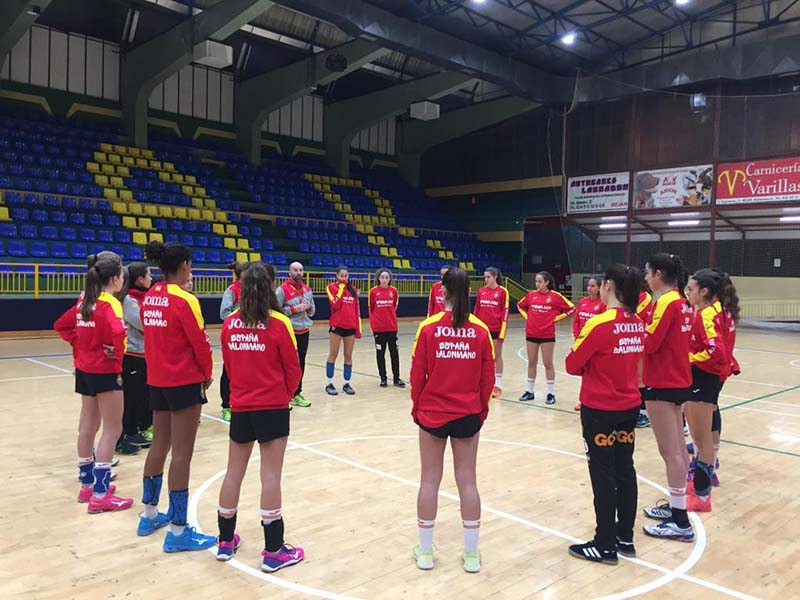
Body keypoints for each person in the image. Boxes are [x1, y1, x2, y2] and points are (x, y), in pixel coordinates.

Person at [216, 263, 305, 572]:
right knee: (270, 476)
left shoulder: (229, 324)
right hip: (272, 407)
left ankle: (225, 542)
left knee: (233, 473)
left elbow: (229, 364)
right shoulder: (280, 323)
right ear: (270, 287)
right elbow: (293, 370)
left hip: (241, 406)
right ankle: (273, 550)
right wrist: (283, 396)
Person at [410, 267, 494, 573]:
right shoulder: (481, 330)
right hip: (468, 414)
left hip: (432, 413)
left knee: (429, 480)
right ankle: (471, 555)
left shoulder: (429, 327)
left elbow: (417, 374)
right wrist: (481, 411)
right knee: (467, 481)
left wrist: (417, 408)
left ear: (441, 291)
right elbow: (487, 379)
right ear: (469, 292)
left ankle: (425, 552)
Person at [137, 241, 216, 551]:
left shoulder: (149, 297)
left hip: (156, 380)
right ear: (184, 266)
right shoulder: (185, 300)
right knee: (182, 454)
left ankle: (149, 514)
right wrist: (207, 375)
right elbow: (200, 345)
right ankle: (179, 531)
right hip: (183, 382)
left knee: (159, 445)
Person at [565, 264, 644, 564]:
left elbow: (573, 364)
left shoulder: (599, 324)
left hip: (600, 409)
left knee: (603, 474)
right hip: (628, 406)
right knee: (626, 469)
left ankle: (605, 544)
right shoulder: (637, 323)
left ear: (608, 285)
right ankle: (625, 536)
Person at [54, 251, 133, 513]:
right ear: (114, 278)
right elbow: (119, 331)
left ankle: (87, 484)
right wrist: (116, 353)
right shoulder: (110, 303)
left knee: (87, 425)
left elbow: (61, 325)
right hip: (106, 370)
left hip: (84, 369)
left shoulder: (83, 299)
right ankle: (100, 494)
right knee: (112, 430)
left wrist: (81, 345)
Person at [640, 253, 695, 543]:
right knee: (677, 450)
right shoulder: (682, 302)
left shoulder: (666, 302)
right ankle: (676, 507)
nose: (646, 278)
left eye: (648, 273)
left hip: (662, 382)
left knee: (671, 451)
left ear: (658, 274)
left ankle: (680, 521)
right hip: (677, 380)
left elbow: (650, 342)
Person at [682, 269, 741, 512]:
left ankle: (701, 496)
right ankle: (701, 483)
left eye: (691, 289)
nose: (687, 293)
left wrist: (687, 358)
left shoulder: (707, 315)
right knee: (702, 436)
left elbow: (714, 350)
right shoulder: (722, 311)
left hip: (704, 377)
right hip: (712, 376)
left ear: (704, 292)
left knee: (701, 438)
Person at [517, 271, 575, 404]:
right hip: (531, 333)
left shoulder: (556, 296)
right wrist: (528, 317)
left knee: (548, 363)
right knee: (531, 362)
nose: (537, 284)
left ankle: (551, 393)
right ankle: (530, 391)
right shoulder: (531, 295)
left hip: (547, 334)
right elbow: (520, 306)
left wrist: (555, 318)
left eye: (540, 281)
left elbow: (571, 309)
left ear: (547, 282)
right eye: (536, 281)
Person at [120, 262, 154, 450]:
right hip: (133, 354)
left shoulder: (146, 298)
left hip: (146, 354)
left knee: (143, 395)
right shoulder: (129, 300)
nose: (151, 278)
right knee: (132, 396)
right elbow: (144, 323)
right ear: (140, 279)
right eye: (148, 275)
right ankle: (129, 432)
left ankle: (140, 429)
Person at [276, 261, 315, 407]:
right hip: (289, 332)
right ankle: (283, 394)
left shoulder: (307, 289)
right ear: (289, 272)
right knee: (287, 364)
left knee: (301, 363)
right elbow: (275, 310)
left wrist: (309, 307)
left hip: (304, 331)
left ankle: (296, 393)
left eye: (300, 270)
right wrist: (293, 309)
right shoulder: (282, 290)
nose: (298, 272)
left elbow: (313, 311)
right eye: (295, 270)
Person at [472, 267, 509, 398]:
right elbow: (476, 310)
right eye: (485, 277)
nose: (486, 279)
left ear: (494, 277)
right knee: (481, 357)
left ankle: (497, 385)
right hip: (482, 330)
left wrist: (502, 333)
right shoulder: (481, 291)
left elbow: (505, 313)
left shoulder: (502, 292)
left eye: (488, 277)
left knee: (496, 357)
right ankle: (481, 383)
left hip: (495, 329)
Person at [219, 261, 249, 422]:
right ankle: (226, 406)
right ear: (241, 274)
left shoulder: (252, 290)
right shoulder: (231, 291)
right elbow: (224, 313)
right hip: (234, 336)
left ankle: (242, 402)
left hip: (250, 336)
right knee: (228, 370)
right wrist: (241, 314)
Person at [325, 265, 361, 396]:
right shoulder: (331, 287)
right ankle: (329, 383)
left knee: (348, 356)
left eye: (346, 276)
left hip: (350, 327)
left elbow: (356, 311)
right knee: (333, 354)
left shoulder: (353, 291)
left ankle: (346, 383)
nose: (344, 278)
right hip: (337, 326)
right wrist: (340, 289)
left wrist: (358, 329)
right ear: (337, 276)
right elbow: (335, 305)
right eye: (341, 276)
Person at [571, 276, 605, 411]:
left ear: (599, 288)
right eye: (588, 286)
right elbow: (576, 321)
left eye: (593, 286)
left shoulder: (603, 304)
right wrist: (577, 338)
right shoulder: (583, 302)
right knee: (584, 374)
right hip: (581, 343)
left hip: (595, 345)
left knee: (596, 373)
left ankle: (599, 399)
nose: (589, 289)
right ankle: (583, 401)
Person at [369, 268, 405, 388]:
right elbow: (371, 309)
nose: (384, 279)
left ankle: (396, 378)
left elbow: (394, 306)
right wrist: (374, 325)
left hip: (392, 327)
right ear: (378, 278)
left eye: (387, 277)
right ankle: (383, 378)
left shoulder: (394, 291)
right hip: (379, 329)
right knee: (380, 353)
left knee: (394, 353)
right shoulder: (373, 292)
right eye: (382, 277)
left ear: (389, 279)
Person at [636, 286, 654, 428]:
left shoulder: (644, 296)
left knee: (642, 379)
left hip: (641, 340)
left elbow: (634, 314)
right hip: (631, 340)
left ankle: (644, 414)